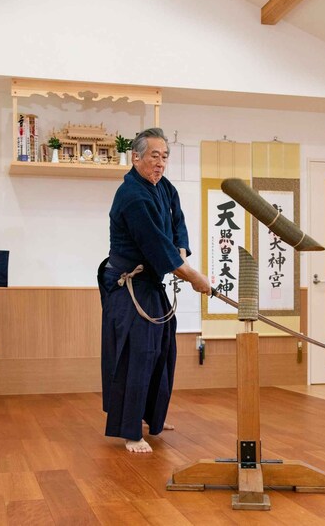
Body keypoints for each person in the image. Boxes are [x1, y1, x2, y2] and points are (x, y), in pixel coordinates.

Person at [98, 127, 211, 453]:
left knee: (161, 350)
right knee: (137, 354)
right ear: (136, 157)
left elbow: (177, 225)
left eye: (164, 157)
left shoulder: (163, 187)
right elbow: (156, 246)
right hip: (129, 285)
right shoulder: (133, 196)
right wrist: (193, 276)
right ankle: (130, 431)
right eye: (154, 156)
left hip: (151, 283)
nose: (160, 163)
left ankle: (150, 416)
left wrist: (182, 254)